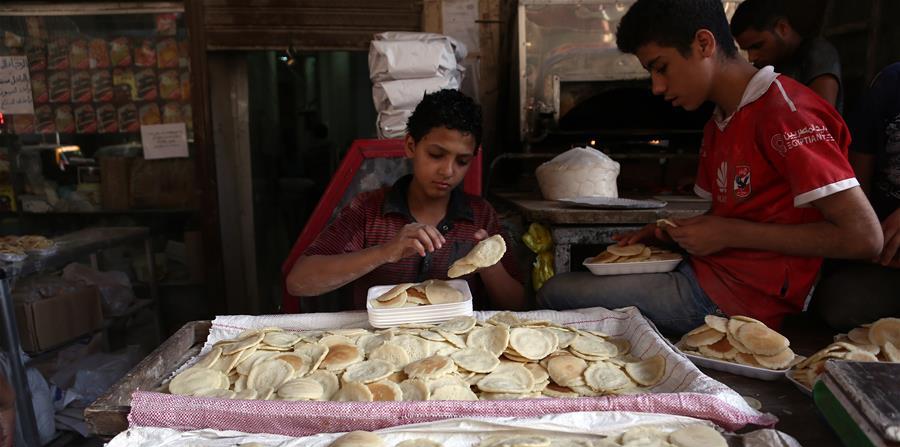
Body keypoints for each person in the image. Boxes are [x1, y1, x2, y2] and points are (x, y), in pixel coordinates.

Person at [537, 0, 882, 336]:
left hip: (741, 301)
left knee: (557, 291)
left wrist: (727, 233)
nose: (657, 87)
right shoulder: (719, 122)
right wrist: (669, 234)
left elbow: (864, 238)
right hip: (706, 273)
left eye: (661, 67)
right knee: (574, 282)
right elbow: (737, 215)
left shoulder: (786, 113)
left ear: (704, 43)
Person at [286, 90, 526, 311]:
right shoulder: (368, 210)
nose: (448, 171)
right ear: (411, 146)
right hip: (379, 345)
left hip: (455, 347)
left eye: (462, 161)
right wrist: (385, 252)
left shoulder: (480, 215)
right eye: (436, 155)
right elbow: (299, 282)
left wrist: (489, 263)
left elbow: (519, 306)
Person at [811, 63, 900, 329]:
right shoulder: (889, 84)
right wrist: (873, 244)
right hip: (886, 257)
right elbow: (857, 187)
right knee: (839, 303)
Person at [730, 0, 843, 111]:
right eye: (747, 50)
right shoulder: (768, 65)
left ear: (782, 28)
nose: (752, 57)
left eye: (757, 46)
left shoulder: (818, 53)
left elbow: (821, 119)